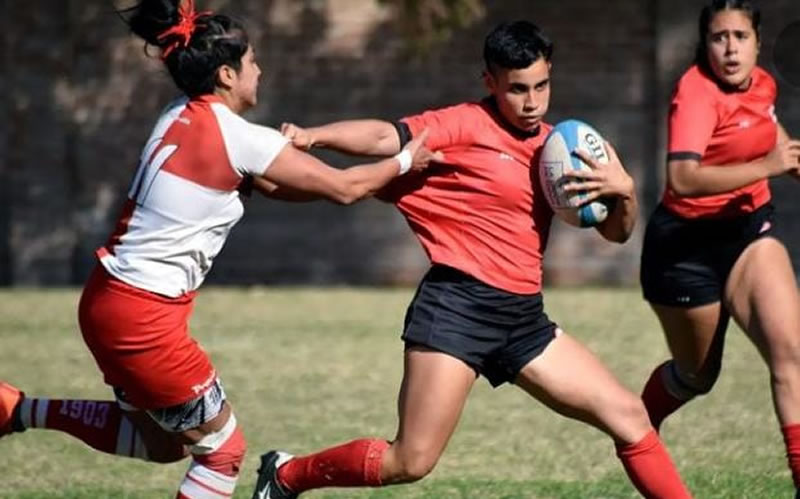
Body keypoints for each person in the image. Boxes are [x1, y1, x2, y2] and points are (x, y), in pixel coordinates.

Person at [0, 1, 435, 497]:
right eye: (252, 61)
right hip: (144, 319)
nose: (259, 70)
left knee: (162, 443)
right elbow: (344, 188)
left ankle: (17, 409)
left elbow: (274, 185)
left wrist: (307, 156)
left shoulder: (179, 114)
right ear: (227, 74)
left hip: (106, 300)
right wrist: (404, 161)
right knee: (223, 454)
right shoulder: (237, 137)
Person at [251, 20, 692, 499]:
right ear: (490, 82)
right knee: (411, 460)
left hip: (523, 318)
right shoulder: (463, 124)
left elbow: (616, 233)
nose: (532, 102)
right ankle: (285, 475)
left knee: (630, 417)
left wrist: (624, 192)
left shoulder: (557, 149)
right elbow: (385, 136)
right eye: (517, 89)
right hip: (457, 309)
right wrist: (313, 136)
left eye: (541, 86)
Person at [637, 0, 800, 494]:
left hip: (749, 232)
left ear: (757, 42)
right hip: (685, 250)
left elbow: (767, 130)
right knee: (696, 376)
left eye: (740, 37)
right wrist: (768, 167)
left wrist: (789, 157)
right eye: (719, 37)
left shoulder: (763, 83)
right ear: (704, 43)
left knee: (791, 354)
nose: (730, 49)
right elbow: (682, 178)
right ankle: (636, 426)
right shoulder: (695, 93)